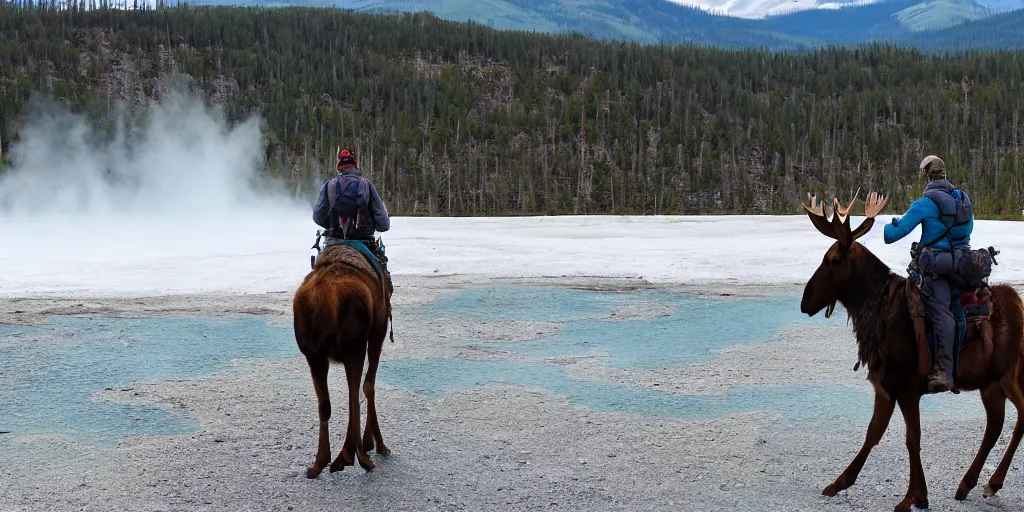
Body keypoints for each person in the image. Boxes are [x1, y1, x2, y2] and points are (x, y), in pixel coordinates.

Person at [884, 155, 974, 394]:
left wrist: (888, 224)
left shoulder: (924, 204)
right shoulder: (962, 199)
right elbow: (968, 231)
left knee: (939, 311)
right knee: (955, 310)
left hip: (937, 270)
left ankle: (944, 371)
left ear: (927, 175)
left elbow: (892, 235)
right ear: (944, 173)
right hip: (963, 266)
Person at [312, 148, 393, 295]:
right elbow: (384, 224)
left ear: (339, 167)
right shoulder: (366, 185)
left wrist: (332, 224)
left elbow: (317, 217)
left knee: (316, 278)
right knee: (384, 282)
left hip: (334, 241)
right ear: (354, 166)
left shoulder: (328, 186)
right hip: (364, 242)